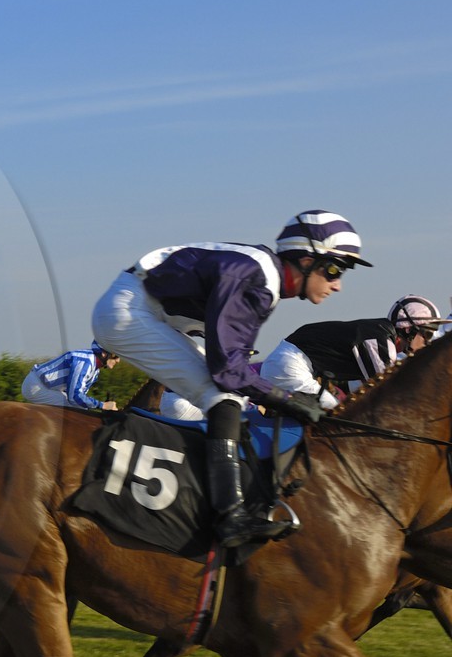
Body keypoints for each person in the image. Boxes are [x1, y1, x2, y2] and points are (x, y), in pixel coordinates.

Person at [92, 209, 366, 547]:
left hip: (143, 307)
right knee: (222, 396)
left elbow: (230, 365)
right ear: (307, 259)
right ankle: (230, 515)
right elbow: (228, 372)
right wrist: (288, 400)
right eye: (335, 269)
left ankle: (224, 505)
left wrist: (282, 398)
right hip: (131, 311)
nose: (337, 284)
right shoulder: (257, 277)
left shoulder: (263, 279)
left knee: (227, 398)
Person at [261, 294, 445, 410]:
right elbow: (391, 392)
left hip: (294, 363)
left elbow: (359, 387)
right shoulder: (379, 339)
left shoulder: (380, 335)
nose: (429, 342)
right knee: (340, 414)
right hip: (289, 365)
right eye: (428, 333)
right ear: (408, 329)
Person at [21, 341, 120, 411]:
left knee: (82, 409)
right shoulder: (85, 362)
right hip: (36, 387)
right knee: (77, 409)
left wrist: (101, 406)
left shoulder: (95, 371)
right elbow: (74, 397)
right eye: (116, 356)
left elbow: (80, 397)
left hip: (46, 387)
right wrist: (102, 405)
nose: (118, 360)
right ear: (103, 353)